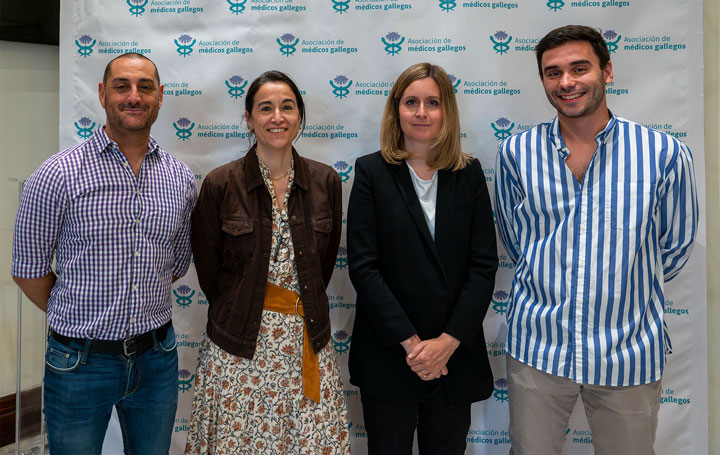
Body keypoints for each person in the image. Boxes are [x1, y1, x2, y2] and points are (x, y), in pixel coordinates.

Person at [494, 25, 699, 455]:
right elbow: (517, 242)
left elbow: (675, 245)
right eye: (553, 73)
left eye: (579, 68)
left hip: (628, 352)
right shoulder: (516, 154)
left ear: (607, 71)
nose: (566, 82)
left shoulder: (662, 153)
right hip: (538, 349)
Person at [11, 53, 197, 454]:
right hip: (79, 361)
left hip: (157, 359)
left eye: (145, 87)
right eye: (122, 86)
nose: (134, 96)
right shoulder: (57, 174)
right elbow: (28, 270)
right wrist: (79, 313)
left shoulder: (180, 178)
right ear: (102, 94)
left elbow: (175, 265)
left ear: (160, 97)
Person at [186, 70, 349, 454]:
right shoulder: (220, 184)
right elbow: (211, 274)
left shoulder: (326, 182)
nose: (277, 117)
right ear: (249, 118)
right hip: (238, 346)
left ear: (299, 116)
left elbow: (322, 267)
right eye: (265, 108)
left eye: (287, 107)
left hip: (306, 341)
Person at [347, 62, 498, 455]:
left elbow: (483, 267)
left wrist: (446, 344)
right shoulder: (371, 172)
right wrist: (416, 347)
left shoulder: (469, 173)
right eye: (411, 101)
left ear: (446, 110)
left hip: (452, 360)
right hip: (391, 355)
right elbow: (364, 267)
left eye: (432, 102)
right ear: (396, 109)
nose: (421, 112)